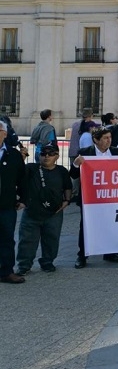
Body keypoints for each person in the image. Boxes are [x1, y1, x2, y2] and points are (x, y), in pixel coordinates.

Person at [70, 127, 118, 267]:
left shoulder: (117, 152)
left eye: (110, 137)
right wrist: (76, 164)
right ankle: (82, 255)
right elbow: (74, 175)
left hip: (111, 196)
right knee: (86, 225)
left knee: (111, 223)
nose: (109, 140)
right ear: (96, 139)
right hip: (90, 198)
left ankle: (109, 252)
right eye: (105, 138)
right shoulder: (85, 152)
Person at [15, 141, 71, 275]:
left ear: (57, 156)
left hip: (54, 213)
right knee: (27, 241)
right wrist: (21, 158)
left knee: (52, 239)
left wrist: (67, 200)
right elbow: (17, 173)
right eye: (43, 154)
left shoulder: (62, 171)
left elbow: (67, 187)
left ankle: (47, 262)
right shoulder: (31, 168)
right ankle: (24, 265)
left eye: (50, 154)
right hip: (32, 212)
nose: (46, 156)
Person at [0, 121, 26, 284]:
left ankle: (6, 271)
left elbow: (22, 179)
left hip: (6, 205)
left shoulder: (13, 155)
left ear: (5, 133)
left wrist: (23, 199)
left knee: (7, 238)